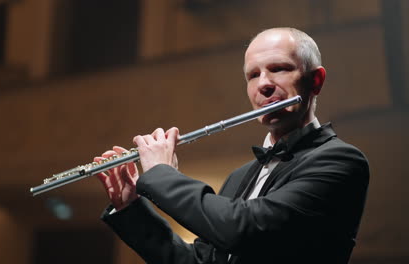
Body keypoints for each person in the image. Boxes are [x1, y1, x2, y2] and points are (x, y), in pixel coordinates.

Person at [94, 27, 369, 264]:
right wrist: (130, 209)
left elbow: (242, 229)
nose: (263, 85)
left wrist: (162, 175)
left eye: (278, 69)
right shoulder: (238, 177)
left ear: (315, 81)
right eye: (253, 75)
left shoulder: (340, 161)